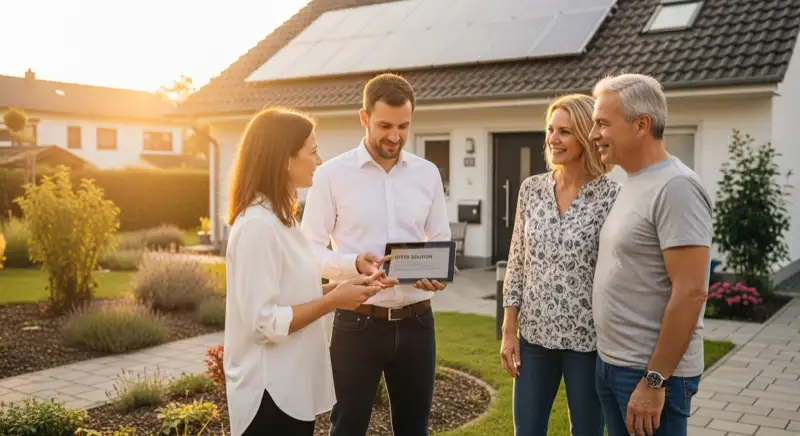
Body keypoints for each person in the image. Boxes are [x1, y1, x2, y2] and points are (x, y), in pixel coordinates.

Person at [223, 107, 397, 436]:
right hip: (267, 396)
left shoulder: (281, 220)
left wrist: (349, 285)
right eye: (313, 151)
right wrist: (333, 302)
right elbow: (264, 322)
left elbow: (296, 293)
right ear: (284, 159)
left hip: (290, 389)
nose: (319, 161)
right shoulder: (257, 227)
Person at [300, 73, 451, 436]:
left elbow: (441, 237)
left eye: (403, 126)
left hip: (418, 323)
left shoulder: (427, 173)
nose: (395, 136)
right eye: (384, 125)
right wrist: (352, 264)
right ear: (364, 118)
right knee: (348, 428)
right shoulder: (330, 176)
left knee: (415, 430)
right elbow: (308, 250)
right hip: (357, 325)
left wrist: (438, 270)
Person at [590, 73, 712, 436]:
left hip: (649, 376)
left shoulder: (676, 187)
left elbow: (691, 291)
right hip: (613, 365)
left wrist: (655, 379)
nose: (594, 134)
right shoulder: (634, 181)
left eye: (602, 123)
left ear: (641, 125)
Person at [500, 94, 621, 436]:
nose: (553, 139)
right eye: (550, 130)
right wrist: (510, 330)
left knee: (586, 431)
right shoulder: (532, 190)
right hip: (535, 338)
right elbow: (517, 261)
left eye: (564, 131)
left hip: (587, 341)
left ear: (584, 136)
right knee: (527, 431)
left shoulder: (611, 196)